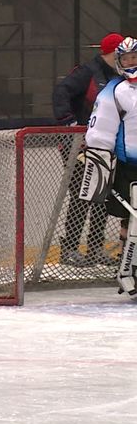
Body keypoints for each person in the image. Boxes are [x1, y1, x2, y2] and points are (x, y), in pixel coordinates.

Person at [52, 32, 123, 267]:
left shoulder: (119, 76)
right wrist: (71, 124)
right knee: (82, 196)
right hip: (78, 145)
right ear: (113, 52)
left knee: (101, 197)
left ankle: (94, 248)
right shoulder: (88, 72)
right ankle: (70, 248)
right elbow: (61, 91)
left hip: (104, 145)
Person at [82, 36, 137, 298]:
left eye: (134, 57)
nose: (131, 62)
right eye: (126, 59)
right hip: (129, 167)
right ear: (118, 62)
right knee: (131, 220)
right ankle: (128, 270)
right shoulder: (113, 92)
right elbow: (100, 130)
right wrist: (98, 159)